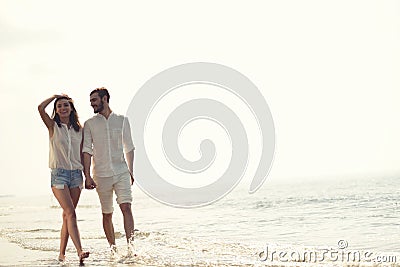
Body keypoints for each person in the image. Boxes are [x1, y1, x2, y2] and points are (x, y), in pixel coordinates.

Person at [82, 87, 135, 254]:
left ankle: (131, 247)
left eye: (94, 100)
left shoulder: (122, 120)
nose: (92, 104)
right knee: (107, 213)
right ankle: (113, 249)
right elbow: (86, 150)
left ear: (104, 99)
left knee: (126, 207)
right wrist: (87, 176)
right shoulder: (89, 124)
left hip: (121, 171)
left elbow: (130, 147)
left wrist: (131, 171)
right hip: (101, 175)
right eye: (91, 101)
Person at [38, 94, 90, 264]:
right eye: (59, 106)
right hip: (59, 174)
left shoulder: (79, 130)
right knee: (71, 213)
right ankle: (80, 250)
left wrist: (88, 176)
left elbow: (83, 154)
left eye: (66, 105)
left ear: (71, 108)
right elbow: (40, 108)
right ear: (56, 110)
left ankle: (61, 254)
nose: (62, 108)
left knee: (68, 216)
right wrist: (54, 97)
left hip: (76, 175)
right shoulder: (53, 126)